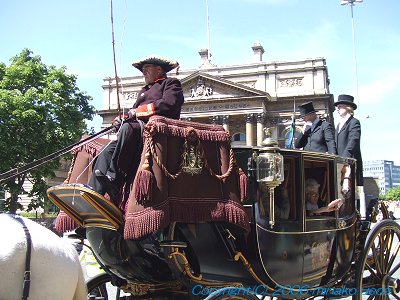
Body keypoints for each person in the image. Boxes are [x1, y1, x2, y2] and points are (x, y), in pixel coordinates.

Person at [89, 55, 184, 198]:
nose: (143, 72)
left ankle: (114, 179)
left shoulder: (171, 83)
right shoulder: (143, 90)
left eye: (146, 68)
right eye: (142, 69)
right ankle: (94, 192)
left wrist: (137, 112)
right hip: (135, 131)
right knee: (105, 151)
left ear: (159, 69)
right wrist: (122, 118)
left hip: (155, 131)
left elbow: (168, 104)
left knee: (128, 129)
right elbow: (133, 112)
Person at [334, 94, 363, 186]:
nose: (337, 109)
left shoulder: (354, 122)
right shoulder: (338, 125)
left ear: (348, 107)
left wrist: (344, 159)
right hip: (339, 162)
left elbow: (353, 141)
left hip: (349, 161)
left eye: (339, 107)